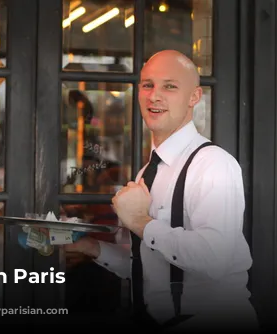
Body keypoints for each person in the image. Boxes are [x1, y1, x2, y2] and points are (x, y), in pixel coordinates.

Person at [63, 50, 259, 331]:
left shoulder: (213, 164)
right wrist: (89, 247)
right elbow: (149, 265)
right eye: (147, 85)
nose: (155, 95)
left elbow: (214, 259)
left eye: (170, 86)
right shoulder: (148, 172)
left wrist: (142, 222)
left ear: (194, 97)